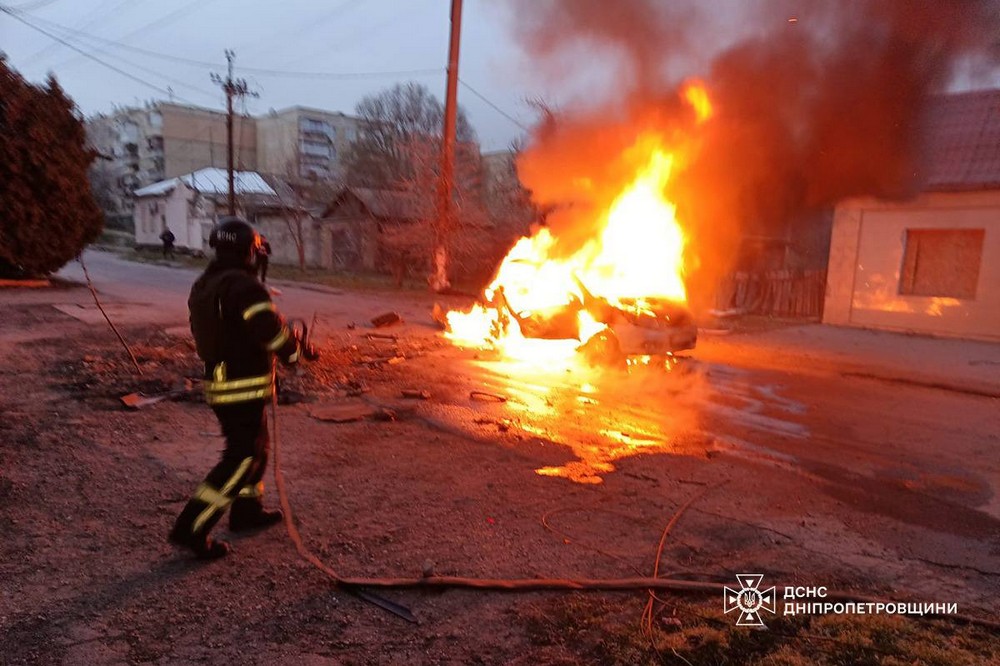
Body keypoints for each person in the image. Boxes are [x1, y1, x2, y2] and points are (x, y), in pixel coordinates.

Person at [169, 217, 318, 560]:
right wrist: (296, 351)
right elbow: (272, 332)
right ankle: (192, 527)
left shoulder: (207, 283)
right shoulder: (246, 288)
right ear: (249, 251)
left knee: (257, 447)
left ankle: (247, 510)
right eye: (256, 250)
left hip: (224, 381)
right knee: (242, 456)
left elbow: (234, 329)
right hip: (241, 384)